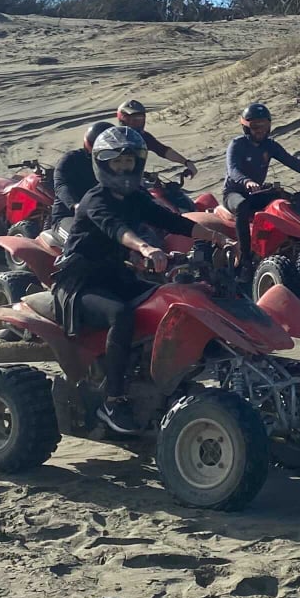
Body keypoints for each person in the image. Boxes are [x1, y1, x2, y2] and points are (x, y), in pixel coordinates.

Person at [56, 126, 229, 434]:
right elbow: (116, 228)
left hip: (114, 275)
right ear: (103, 163)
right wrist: (147, 248)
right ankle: (114, 399)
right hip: (79, 283)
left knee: (170, 297)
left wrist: (217, 237)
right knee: (120, 314)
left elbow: (172, 221)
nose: (125, 168)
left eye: (130, 162)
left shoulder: (136, 196)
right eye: (117, 162)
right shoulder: (94, 200)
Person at [223, 102, 300, 261]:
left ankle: (296, 245)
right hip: (234, 193)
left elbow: (291, 161)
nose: (260, 131)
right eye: (256, 126)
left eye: (264, 126)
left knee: (287, 200)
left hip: (257, 192)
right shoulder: (237, 144)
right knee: (242, 206)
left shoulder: (270, 145)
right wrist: (247, 182)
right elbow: (233, 170)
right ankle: (245, 259)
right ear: (246, 127)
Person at [48, 120, 115, 243]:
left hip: (103, 216)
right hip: (69, 216)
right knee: (81, 240)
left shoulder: (116, 163)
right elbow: (61, 186)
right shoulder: (71, 160)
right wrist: (75, 205)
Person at [113, 99, 196, 181]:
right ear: (122, 119)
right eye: (132, 120)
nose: (136, 123)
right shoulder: (112, 138)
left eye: (139, 119)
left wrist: (186, 162)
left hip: (136, 182)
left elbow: (163, 150)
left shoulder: (143, 137)